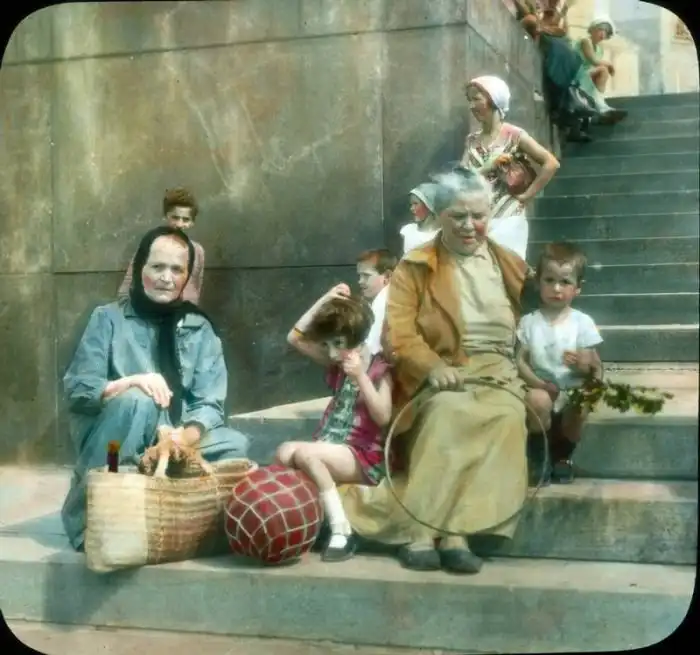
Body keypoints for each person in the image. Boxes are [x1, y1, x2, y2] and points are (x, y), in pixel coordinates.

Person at [338, 169, 534, 574]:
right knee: (448, 412)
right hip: (440, 370)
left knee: (507, 416)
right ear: (440, 216)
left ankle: (459, 534)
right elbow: (399, 334)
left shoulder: (508, 263)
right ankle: (420, 534)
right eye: (458, 216)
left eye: (478, 216)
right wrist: (432, 365)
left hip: (498, 371)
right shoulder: (416, 266)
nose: (469, 225)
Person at [61, 226, 249, 551]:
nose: (166, 278)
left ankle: (168, 511)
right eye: (157, 267)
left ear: (187, 276)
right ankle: (96, 513)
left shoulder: (199, 328)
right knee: (136, 402)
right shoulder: (108, 319)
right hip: (116, 441)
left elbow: (209, 402)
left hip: (172, 438)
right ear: (140, 269)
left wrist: (181, 439)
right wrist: (130, 382)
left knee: (235, 444)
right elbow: (79, 388)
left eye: (177, 269)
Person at [278, 287, 393, 562]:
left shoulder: (381, 368)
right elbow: (295, 337)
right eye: (327, 345)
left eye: (337, 343)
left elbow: (383, 416)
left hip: (363, 454)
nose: (331, 353)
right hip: (331, 445)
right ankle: (300, 522)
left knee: (307, 454)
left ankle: (342, 530)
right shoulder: (339, 363)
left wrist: (361, 377)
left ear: (357, 337)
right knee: (284, 452)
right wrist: (327, 298)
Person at [516, 242, 603, 485]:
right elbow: (520, 361)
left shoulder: (582, 322)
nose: (556, 288)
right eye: (549, 280)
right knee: (537, 400)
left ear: (577, 288)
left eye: (565, 282)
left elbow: (593, 365)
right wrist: (539, 383)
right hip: (542, 386)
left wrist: (581, 365)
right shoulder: (529, 322)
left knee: (580, 404)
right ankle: (539, 455)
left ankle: (563, 456)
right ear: (538, 282)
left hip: (571, 387)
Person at [460, 75, 560, 260]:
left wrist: (527, 195)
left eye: (476, 99)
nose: (471, 106)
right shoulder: (472, 140)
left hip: (507, 219)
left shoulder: (514, 135)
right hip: (476, 221)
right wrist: (486, 168)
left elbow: (551, 163)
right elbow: (460, 178)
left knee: (508, 270)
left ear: (493, 100)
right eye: (469, 100)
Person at [118, 187, 206, 304]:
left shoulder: (198, 251)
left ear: (192, 222)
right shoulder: (152, 244)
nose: (179, 224)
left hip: (182, 310)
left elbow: (196, 286)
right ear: (166, 216)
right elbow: (128, 283)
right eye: (175, 218)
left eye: (185, 220)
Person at [573, 17, 627, 124]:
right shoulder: (585, 41)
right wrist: (609, 64)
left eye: (606, 31)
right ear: (592, 29)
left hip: (586, 77)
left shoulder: (599, 50)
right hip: (574, 73)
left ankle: (598, 106)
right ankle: (603, 109)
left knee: (603, 71)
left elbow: (594, 66)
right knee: (602, 69)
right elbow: (594, 61)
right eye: (600, 29)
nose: (602, 33)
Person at [356, 249, 398, 356]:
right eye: (359, 276)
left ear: (387, 276)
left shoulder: (385, 304)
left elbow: (371, 349)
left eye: (366, 275)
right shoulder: (377, 301)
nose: (360, 281)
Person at [400, 183, 441, 255]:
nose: (412, 208)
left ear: (428, 205)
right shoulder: (408, 230)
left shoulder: (440, 235)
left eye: (416, 204)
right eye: (411, 204)